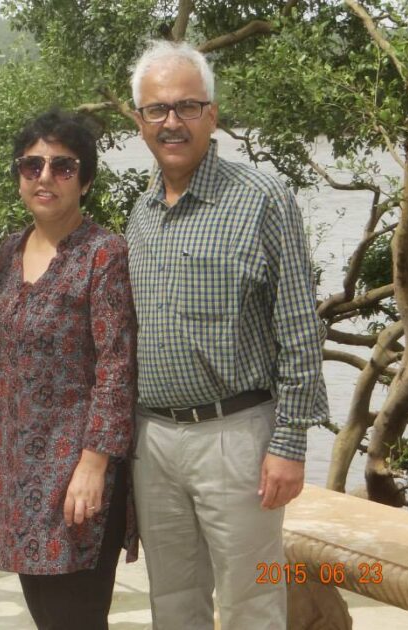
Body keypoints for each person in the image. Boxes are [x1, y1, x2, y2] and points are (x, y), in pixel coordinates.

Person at [126, 40, 329, 629]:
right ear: (139, 122)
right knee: (173, 603)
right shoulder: (140, 214)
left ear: (213, 114)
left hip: (236, 437)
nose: (172, 121)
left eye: (187, 106)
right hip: (154, 439)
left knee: (250, 603)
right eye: (157, 109)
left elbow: (297, 325)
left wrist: (289, 443)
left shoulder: (262, 197)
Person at [0, 109, 137, 630]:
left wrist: (95, 463)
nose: (45, 177)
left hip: (76, 476)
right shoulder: (7, 252)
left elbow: (116, 365)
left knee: (77, 618)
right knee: (46, 617)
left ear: (85, 180)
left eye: (63, 166)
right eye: (32, 165)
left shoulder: (103, 255)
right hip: (14, 474)